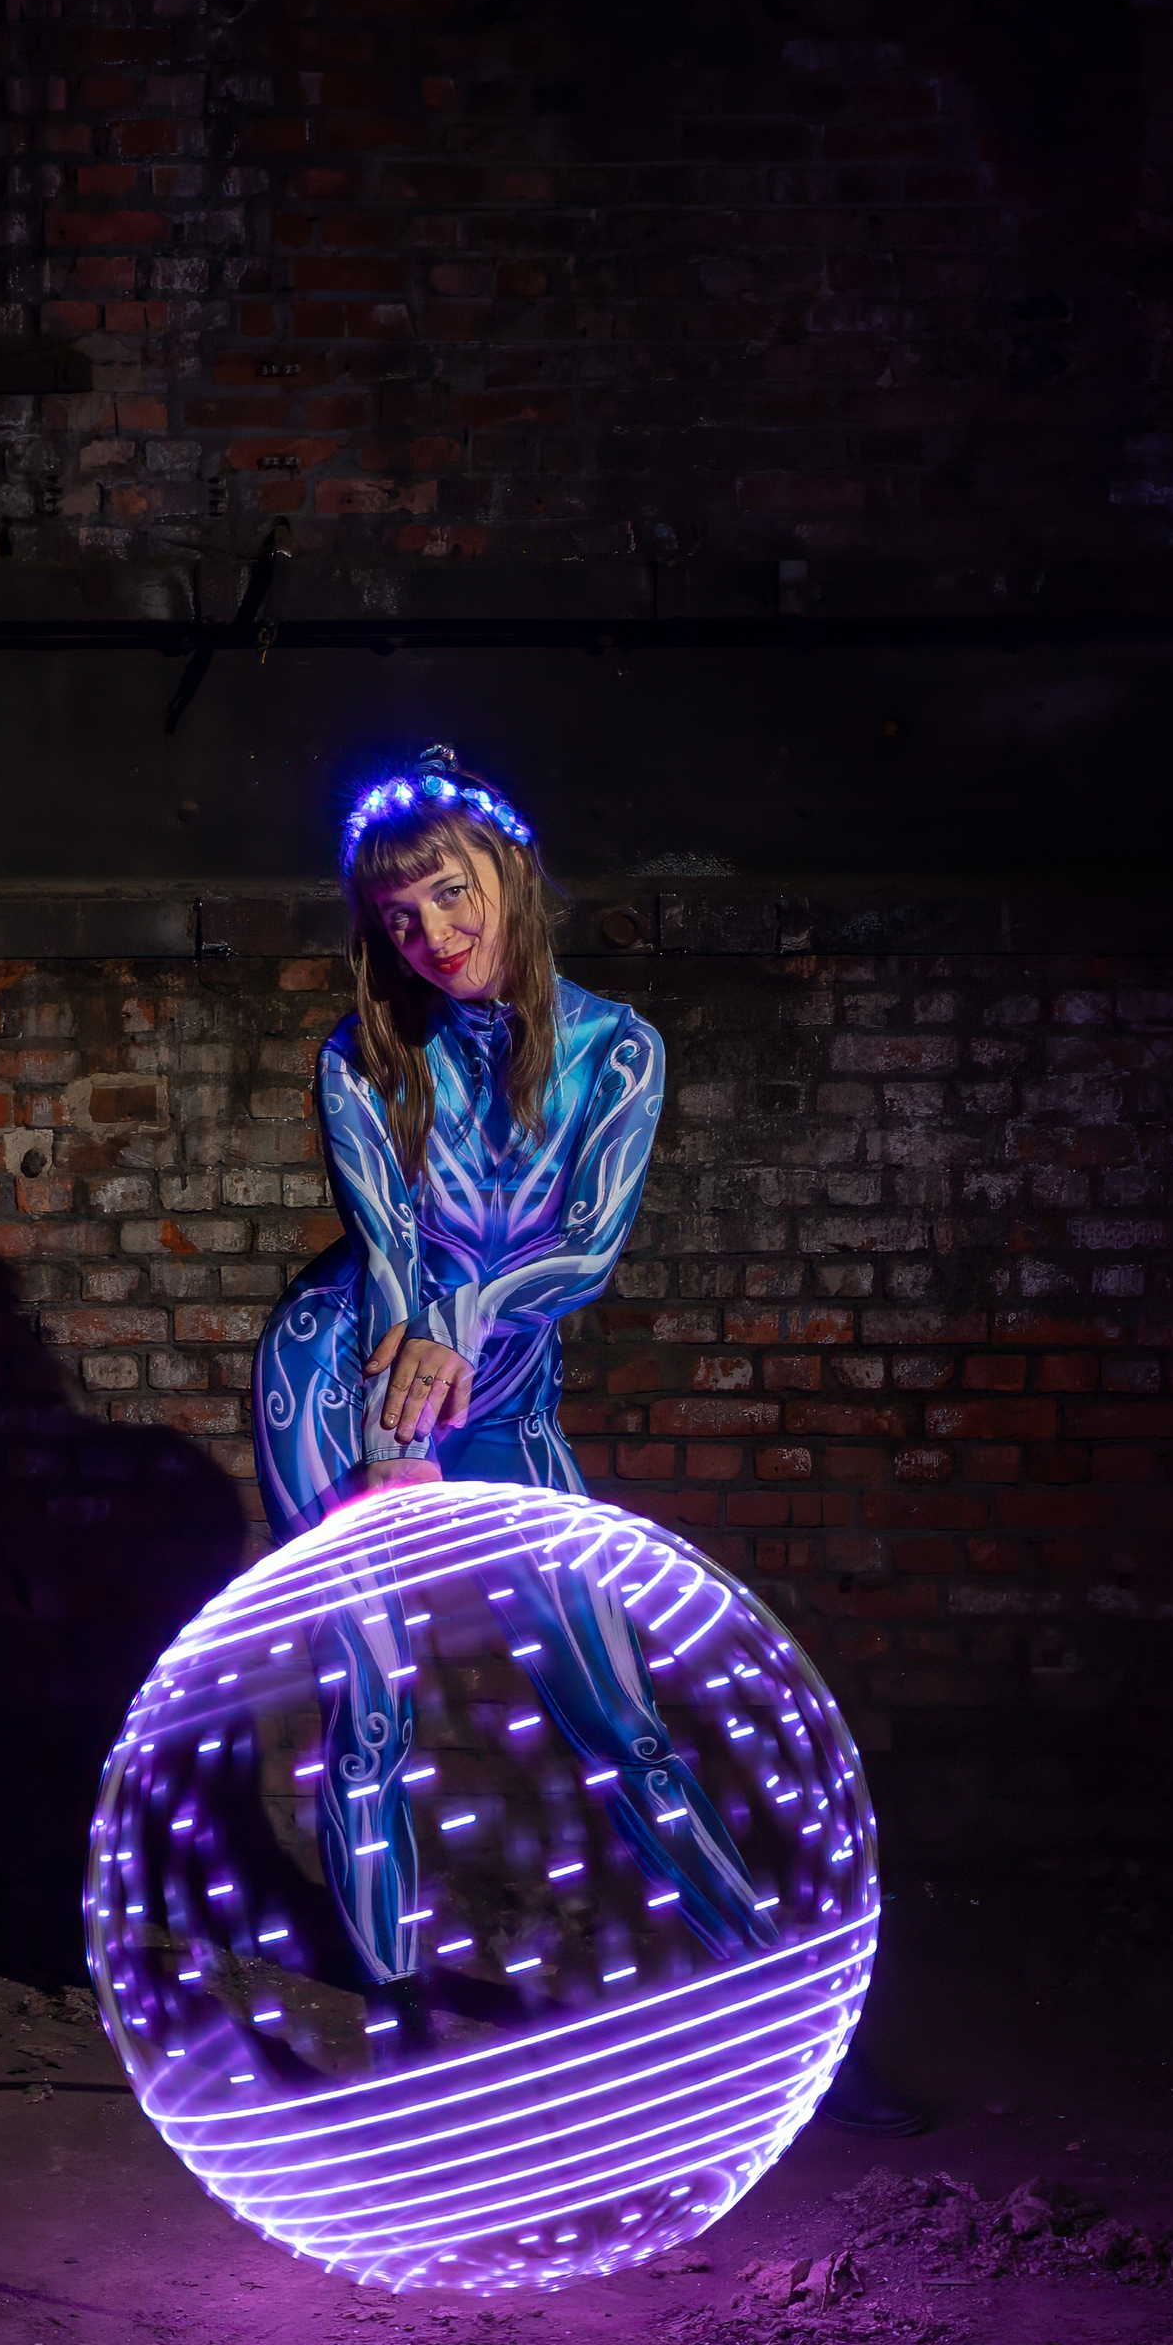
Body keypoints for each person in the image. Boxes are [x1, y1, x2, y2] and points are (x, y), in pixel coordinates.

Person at [251, 747, 924, 2131]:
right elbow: (389, 1268)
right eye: (399, 916)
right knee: (369, 1703)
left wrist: (468, 1327)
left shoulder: (620, 1050)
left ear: (510, 873)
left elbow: (585, 1251)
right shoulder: (361, 1056)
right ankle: (401, 2038)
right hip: (342, 1375)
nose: (433, 934)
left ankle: (784, 2018)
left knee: (617, 1712)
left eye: (452, 892)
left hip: (502, 1392)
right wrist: (392, 1437)